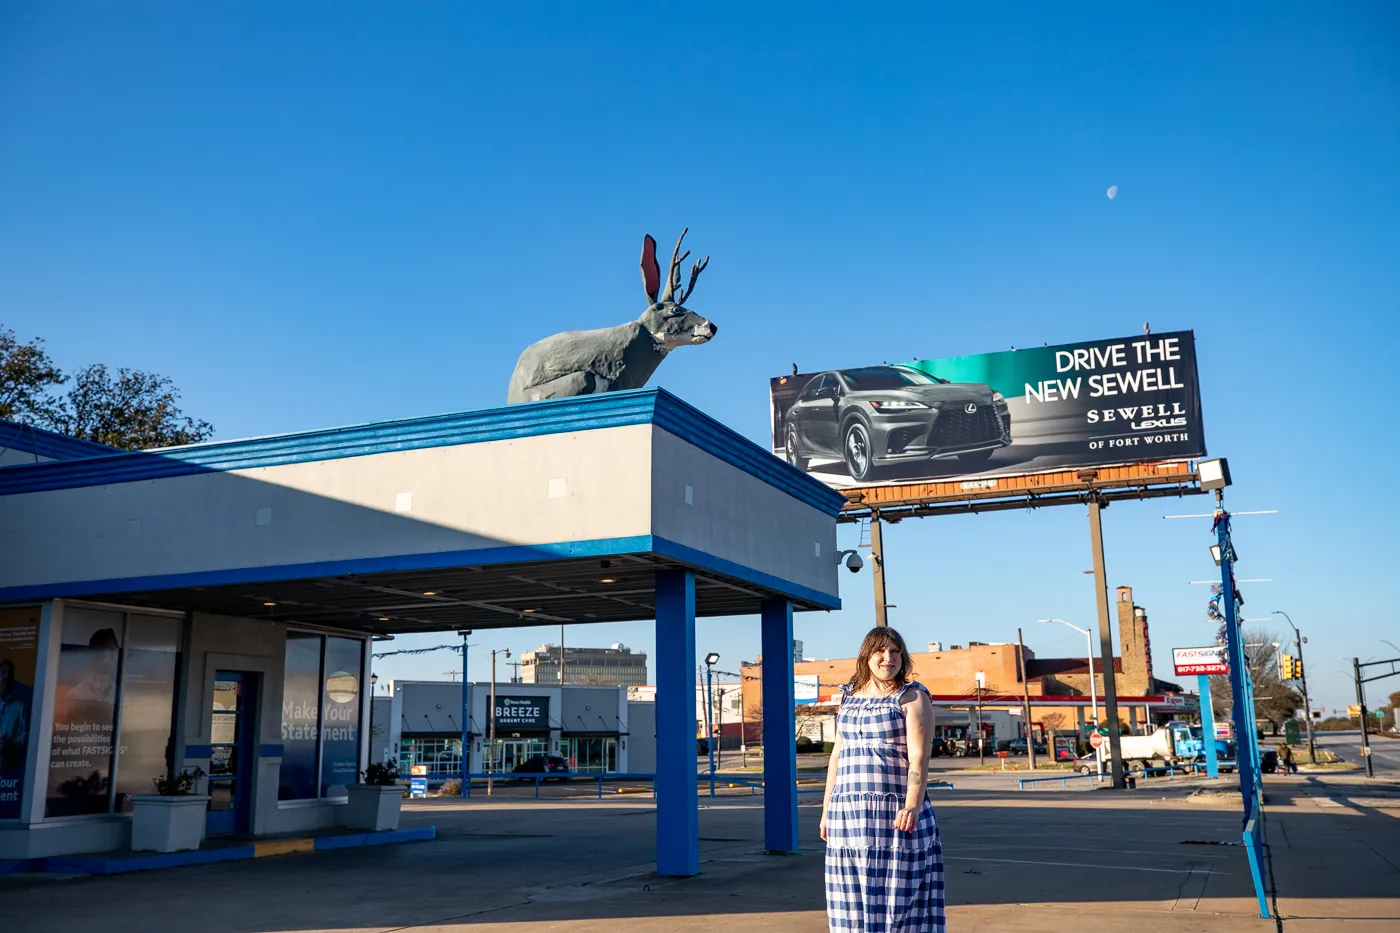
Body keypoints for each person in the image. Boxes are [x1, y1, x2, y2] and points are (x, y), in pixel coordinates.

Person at [820, 626, 944, 932]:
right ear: (866, 656)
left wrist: (912, 806)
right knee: (849, 900)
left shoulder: (912, 696)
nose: (888, 658)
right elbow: (837, 755)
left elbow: (920, 756)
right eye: (880, 651)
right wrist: (826, 811)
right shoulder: (848, 697)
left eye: (894, 651)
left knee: (897, 901)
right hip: (847, 814)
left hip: (894, 816)